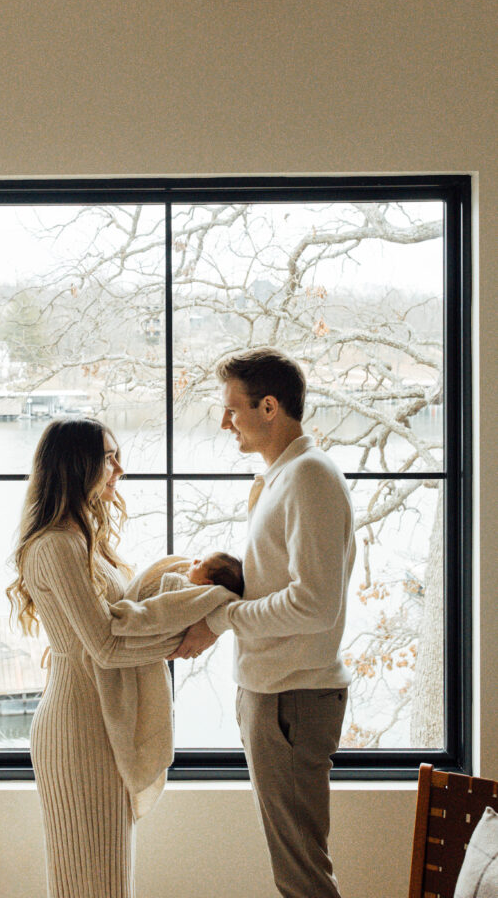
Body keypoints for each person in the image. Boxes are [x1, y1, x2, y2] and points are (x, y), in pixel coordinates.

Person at [171, 346, 356, 898]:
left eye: (233, 409)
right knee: (294, 872)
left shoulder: (309, 477)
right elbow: (283, 584)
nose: (225, 422)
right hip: (275, 696)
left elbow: (316, 603)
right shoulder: (281, 478)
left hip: (291, 700)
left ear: (269, 407)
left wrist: (225, 618)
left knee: (302, 877)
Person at [6, 418, 181, 898]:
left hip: (98, 723)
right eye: (109, 457)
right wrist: (179, 641)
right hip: (78, 728)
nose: (120, 468)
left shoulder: (83, 540)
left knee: (104, 880)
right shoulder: (56, 546)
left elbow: (119, 620)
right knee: (92, 883)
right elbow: (103, 645)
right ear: (75, 464)